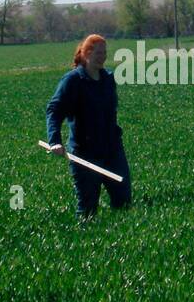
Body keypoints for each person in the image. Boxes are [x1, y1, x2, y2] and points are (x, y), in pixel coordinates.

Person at [45, 34, 132, 217]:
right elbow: (54, 110)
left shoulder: (108, 79)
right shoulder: (73, 81)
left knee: (123, 201)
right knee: (88, 208)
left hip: (112, 150)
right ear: (86, 54)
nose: (103, 57)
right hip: (85, 153)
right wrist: (54, 141)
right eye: (98, 53)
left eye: (105, 52)